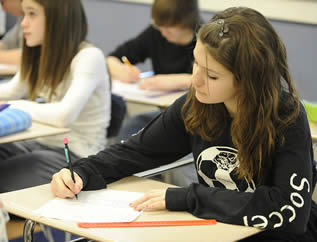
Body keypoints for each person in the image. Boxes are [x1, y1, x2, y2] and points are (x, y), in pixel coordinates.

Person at [51, 7, 316, 241]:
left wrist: (189, 198)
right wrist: (82, 171)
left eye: (212, 75)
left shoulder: (286, 116)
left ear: (249, 79)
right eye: (196, 64)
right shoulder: (197, 105)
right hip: (218, 228)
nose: (196, 81)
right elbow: (135, 152)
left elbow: (289, 211)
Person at [0, 0, 111, 193]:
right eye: (24, 14)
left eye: (32, 14)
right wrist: (12, 102)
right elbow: (9, 91)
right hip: (39, 144)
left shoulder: (89, 56)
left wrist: (14, 105)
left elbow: (63, 116)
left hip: (76, 155)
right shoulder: (40, 53)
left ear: (57, 18)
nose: (23, 23)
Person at [109, 0, 200, 143]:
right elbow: (112, 58)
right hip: (164, 114)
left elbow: (212, 78)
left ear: (186, 22)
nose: (163, 33)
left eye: (169, 29)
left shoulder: (205, 39)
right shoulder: (156, 33)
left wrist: (177, 81)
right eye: (159, 27)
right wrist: (120, 69)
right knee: (132, 128)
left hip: (195, 116)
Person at [0, 0, 23, 65]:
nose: (3, 9)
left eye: (2, 3)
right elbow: (5, 43)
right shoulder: (22, 18)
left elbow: (29, 56)